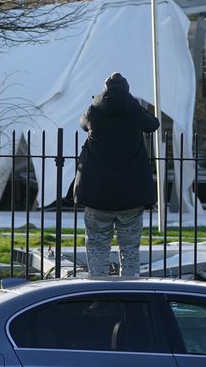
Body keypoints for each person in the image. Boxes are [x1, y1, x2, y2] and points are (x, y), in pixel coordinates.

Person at [73, 72, 159, 277]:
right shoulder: (135, 111)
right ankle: (129, 290)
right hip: (131, 195)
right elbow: (153, 124)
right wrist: (136, 107)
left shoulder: (94, 110)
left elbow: (82, 123)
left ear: (105, 89)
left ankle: (98, 289)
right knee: (130, 250)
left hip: (97, 194)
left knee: (96, 248)